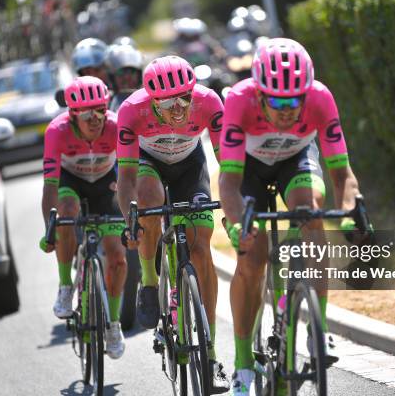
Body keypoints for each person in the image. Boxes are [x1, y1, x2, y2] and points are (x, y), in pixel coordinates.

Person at [218, 38, 367, 395]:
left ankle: (321, 329)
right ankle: (242, 363)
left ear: (307, 92)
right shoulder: (238, 100)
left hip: (295, 159)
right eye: (278, 101)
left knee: (312, 211)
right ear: (259, 93)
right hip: (248, 170)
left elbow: (342, 174)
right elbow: (229, 181)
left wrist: (351, 211)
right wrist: (239, 225)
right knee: (251, 260)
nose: (287, 110)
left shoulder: (320, 98)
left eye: (295, 100)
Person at [116, 55, 229, 393]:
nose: (179, 107)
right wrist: (131, 219)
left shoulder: (209, 101)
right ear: (152, 101)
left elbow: (228, 161)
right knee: (148, 200)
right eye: (168, 102)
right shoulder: (131, 111)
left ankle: (210, 354)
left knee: (201, 246)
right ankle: (150, 281)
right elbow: (125, 178)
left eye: (185, 98)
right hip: (148, 163)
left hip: (189, 165)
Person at [40, 76, 127, 359]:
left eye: (101, 110)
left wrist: (132, 216)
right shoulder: (57, 131)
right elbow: (50, 187)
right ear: (72, 114)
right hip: (71, 183)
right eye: (88, 114)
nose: (96, 119)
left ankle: (113, 324)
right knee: (65, 213)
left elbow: (129, 176)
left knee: (117, 258)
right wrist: (50, 229)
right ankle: (66, 286)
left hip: (105, 186)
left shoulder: (115, 127)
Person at [105, 44, 144, 112]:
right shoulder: (106, 102)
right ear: (112, 77)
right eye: (120, 72)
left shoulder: (150, 98)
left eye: (131, 71)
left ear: (139, 74)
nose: (127, 77)